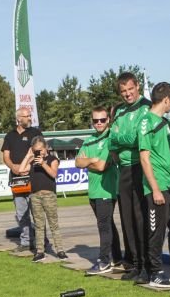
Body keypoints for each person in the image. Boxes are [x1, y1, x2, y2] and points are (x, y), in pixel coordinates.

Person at [137, 82, 170, 289]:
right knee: (156, 231)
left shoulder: (164, 122)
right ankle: (155, 273)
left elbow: (161, 154)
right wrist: (155, 188)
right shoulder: (146, 121)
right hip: (158, 186)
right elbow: (145, 158)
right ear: (166, 99)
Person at [110, 73, 151, 280]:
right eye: (123, 91)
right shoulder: (118, 110)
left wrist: (120, 138)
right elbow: (111, 138)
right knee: (127, 218)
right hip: (123, 169)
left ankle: (146, 264)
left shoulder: (146, 107)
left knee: (140, 217)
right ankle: (134, 263)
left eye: (130, 89)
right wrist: (119, 139)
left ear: (137, 86)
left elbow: (138, 138)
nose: (127, 94)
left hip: (140, 167)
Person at [75, 105, 121, 274]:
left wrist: (89, 160)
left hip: (107, 190)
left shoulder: (111, 137)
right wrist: (92, 160)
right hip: (93, 190)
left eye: (102, 120)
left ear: (108, 120)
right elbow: (77, 162)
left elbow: (102, 166)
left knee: (104, 226)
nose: (99, 123)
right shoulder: (88, 140)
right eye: (96, 120)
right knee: (108, 224)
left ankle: (104, 260)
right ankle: (116, 257)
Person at [1, 107, 42, 252]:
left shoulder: (35, 133)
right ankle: (25, 242)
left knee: (36, 210)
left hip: (33, 177)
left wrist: (27, 165)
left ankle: (41, 241)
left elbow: (41, 151)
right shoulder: (10, 136)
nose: (30, 118)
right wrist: (13, 167)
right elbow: (5, 156)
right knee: (21, 212)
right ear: (19, 118)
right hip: (17, 180)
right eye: (27, 116)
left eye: (30, 116)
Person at [26, 136, 66, 262]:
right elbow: (21, 170)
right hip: (35, 195)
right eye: (36, 150)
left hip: (49, 194)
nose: (39, 152)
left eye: (40, 150)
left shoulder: (52, 159)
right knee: (39, 225)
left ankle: (60, 250)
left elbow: (54, 174)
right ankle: (40, 251)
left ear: (46, 148)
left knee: (53, 223)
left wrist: (43, 163)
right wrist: (28, 156)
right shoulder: (32, 161)